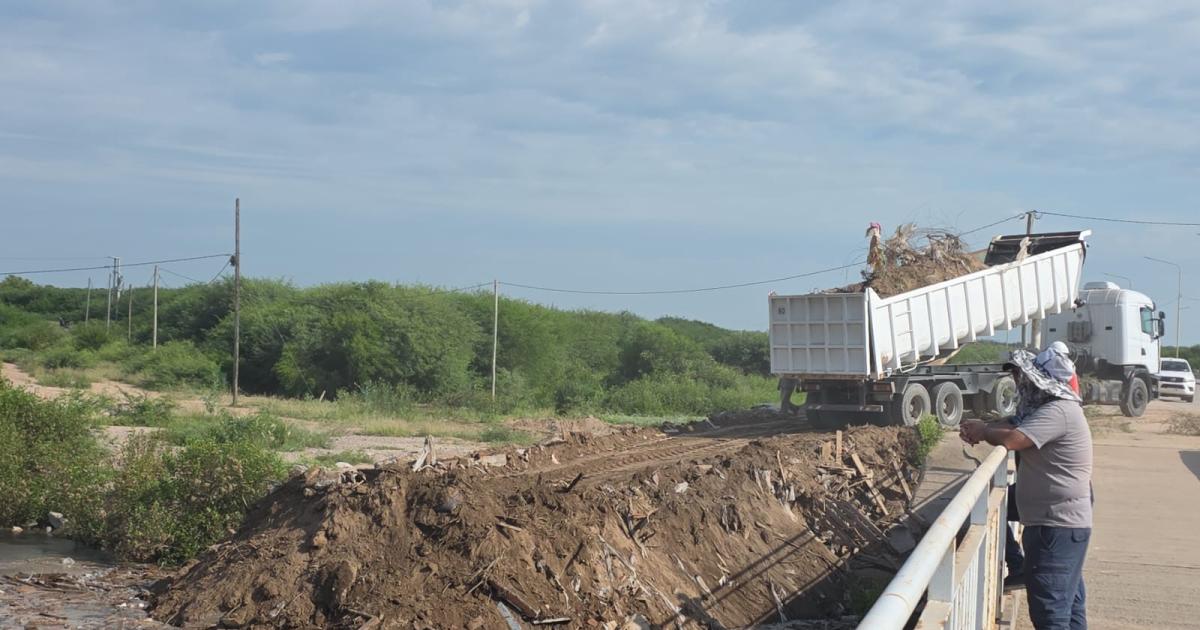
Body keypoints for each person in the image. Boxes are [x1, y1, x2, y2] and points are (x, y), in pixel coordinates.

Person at [960, 348, 1092, 630]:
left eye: (1028, 378)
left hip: (1056, 527)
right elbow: (1015, 424)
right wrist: (985, 427)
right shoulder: (1053, 410)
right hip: (1059, 524)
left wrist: (983, 432)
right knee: (1066, 608)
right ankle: (1016, 562)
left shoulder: (1059, 411)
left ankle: (1016, 563)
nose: (1023, 384)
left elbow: (1015, 438)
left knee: (1051, 613)